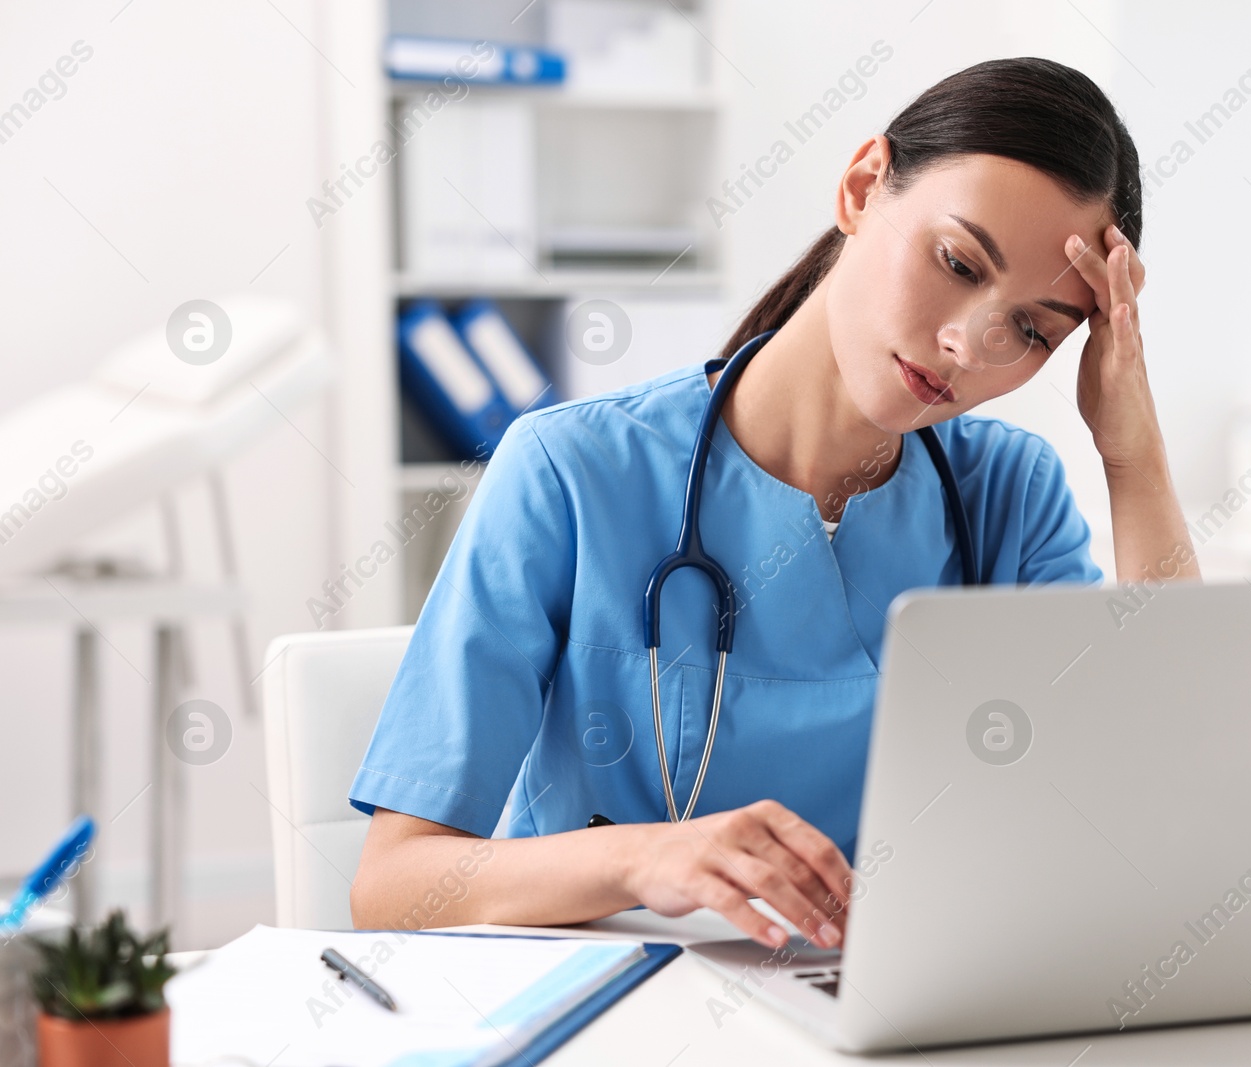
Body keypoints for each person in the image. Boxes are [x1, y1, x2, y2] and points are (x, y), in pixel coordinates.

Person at [349, 57, 1199, 951]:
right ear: (864, 187)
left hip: (879, 1013)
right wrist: (647, 860)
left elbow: (1160, 789)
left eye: (1031, 329)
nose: (965, 343)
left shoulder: (1008, 499)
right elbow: (395, 883)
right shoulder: (571, 472)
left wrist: (1131, 452)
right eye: (956, 262)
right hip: (615, 1011)